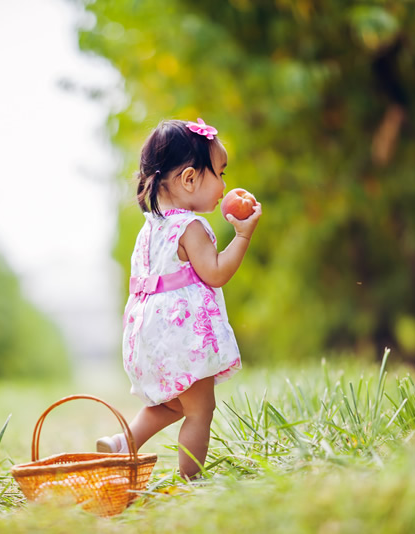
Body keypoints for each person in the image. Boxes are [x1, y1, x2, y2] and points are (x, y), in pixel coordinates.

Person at [97, 118, 262, 479]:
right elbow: (215, 272)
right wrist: (243, 237)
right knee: (200, 410)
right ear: (189, 179)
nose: (224, 185)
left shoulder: (151, 228)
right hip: (183, 337)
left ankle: (122, 443)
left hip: (149, 337)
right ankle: (191, 479)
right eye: (219, 173)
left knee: (171, 404)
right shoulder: (190, 227)